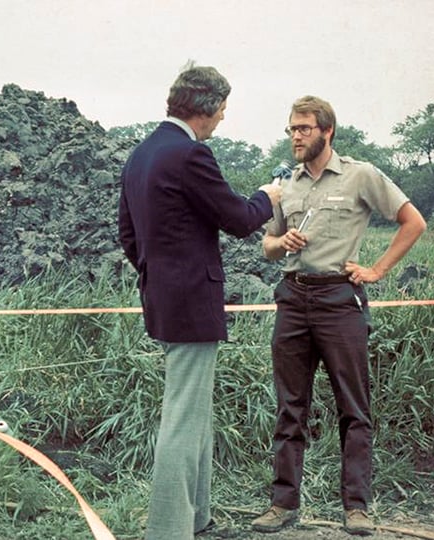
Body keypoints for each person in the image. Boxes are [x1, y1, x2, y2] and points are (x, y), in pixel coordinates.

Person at [118, 63, 282, 540]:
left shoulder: (141, 154)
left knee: (195, 413)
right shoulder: (192, 155)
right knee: (185, 419)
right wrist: (267, 194)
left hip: (165, 301)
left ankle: (197, 519)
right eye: (224, 109)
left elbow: (128, 235)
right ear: (207, 108)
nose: (224, 119)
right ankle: (169, 531)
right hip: (192, 302)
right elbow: (239, 218)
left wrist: (160, 276)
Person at [252, 95, 426, 536]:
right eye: (292, 128)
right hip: (292, 300)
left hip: (339, 302)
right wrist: (282, 242)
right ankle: (283, 504)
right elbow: (267, 246)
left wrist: (377, 270)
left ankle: (356, 508)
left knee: (354, 408)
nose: (295, 135)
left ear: (327, 131)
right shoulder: (284, 185)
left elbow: (414, 222)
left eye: (304, 128)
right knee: (290, 408)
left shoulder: (360, 175)